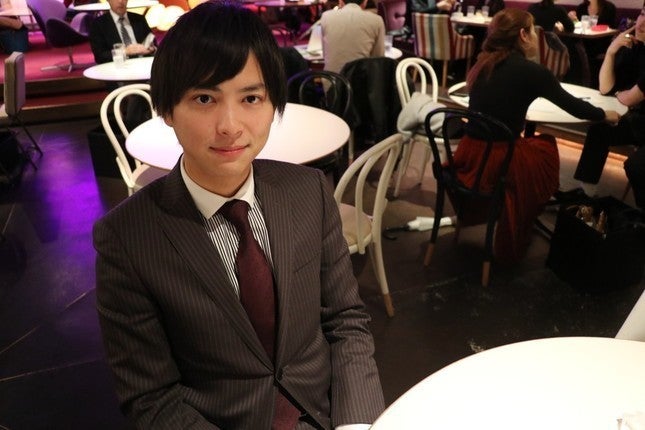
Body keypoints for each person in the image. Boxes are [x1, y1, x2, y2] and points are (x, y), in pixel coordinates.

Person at [93, 1, 385, 429]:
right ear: (168, 109)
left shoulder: (308, 191)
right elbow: (151, 398)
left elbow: (346, 321)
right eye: (204, 98)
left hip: (326, 412)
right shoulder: (126, 238)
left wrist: (355, 422)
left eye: (251, 98)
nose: (230, 126)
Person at [459, 8, 620, 262]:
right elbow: (574, 106)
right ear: (523, 35)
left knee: (534, 146)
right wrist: (604, 114)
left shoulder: (483, 63)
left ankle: (513, 210)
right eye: (534, 31)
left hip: (469, 153)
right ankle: (523, 212)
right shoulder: (532, 72)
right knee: (546, 148)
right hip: (499, 159)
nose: (537, 36)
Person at [574, 6, 645, 209]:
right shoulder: (635, 48)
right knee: (600, 129)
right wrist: (612, 51)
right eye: (642, 14)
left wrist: (621, 95)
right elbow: (606, 88)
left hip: (640, 120)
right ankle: (587, 195)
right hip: (637, 119)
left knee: (635, 166)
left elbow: (629, 99)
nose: (641, 23)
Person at [320, 0, 385, 73]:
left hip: (331, 78)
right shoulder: (377, 20)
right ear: (365, 2)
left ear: (340, 1)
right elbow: (378, 60)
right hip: (361, 79)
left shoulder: (326, 16)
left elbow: (325, 55)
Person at [88, 0, 155, 64]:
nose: (120, 1)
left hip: (143, 63)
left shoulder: (139, 19)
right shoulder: (98, 24)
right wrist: (125, 51)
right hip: (117, 67)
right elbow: (100, 56)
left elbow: (154, 45)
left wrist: (151, 49)